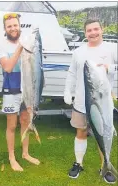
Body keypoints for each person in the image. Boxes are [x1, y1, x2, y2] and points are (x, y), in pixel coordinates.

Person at [64, 19, 117, 184]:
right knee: (81, 132)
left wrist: (111, 67)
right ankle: (78, 163)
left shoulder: (112, 48)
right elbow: (72, 72)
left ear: (102, 29)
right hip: (81, 102)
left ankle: (105, 165)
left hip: (103, 103)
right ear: (85, 33)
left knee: (103, 134)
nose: (93, 33)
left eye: (96, 29)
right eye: (89, 30)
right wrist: (68, 90)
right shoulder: (79, 52)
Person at [0, 13, 40, 172]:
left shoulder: (28, 42)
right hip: (11, 90)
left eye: (15, 25)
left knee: (26, 121)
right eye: (9, 26)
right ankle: (12, 157)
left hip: (27, 89)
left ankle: (26, 153)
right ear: (5, 29)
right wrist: (20, 48)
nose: (13, 28)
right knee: (12, 125)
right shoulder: (1, 46)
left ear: (19, 26)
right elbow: (7, 67)